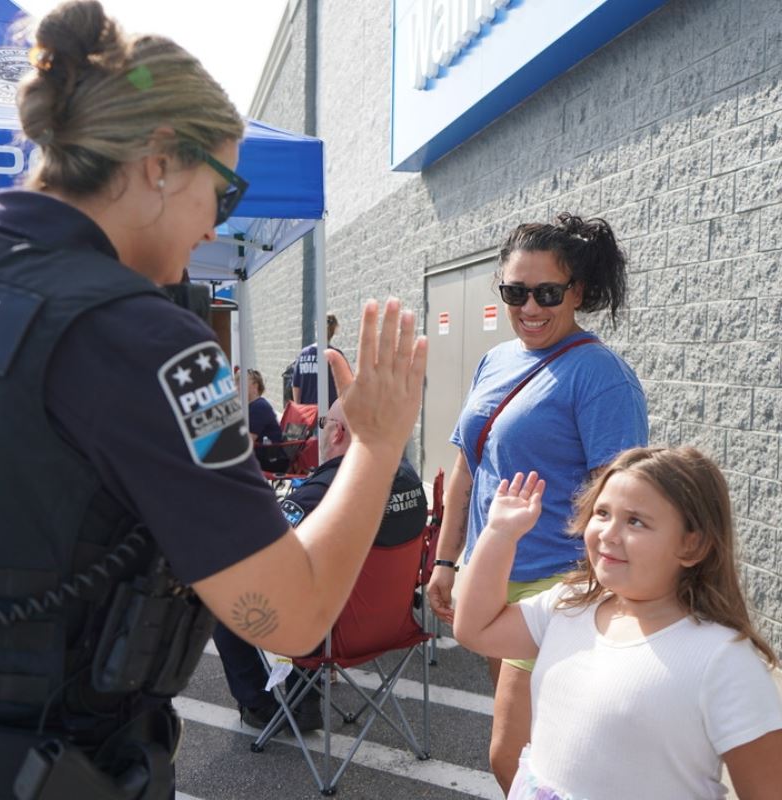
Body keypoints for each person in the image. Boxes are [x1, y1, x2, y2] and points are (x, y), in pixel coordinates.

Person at [0, 3, 426, 798]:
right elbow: (285, 616)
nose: (212, 227)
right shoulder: (147, 341)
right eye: (221, 193)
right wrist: (378, 443)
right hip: (49, 761)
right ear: (160, 162)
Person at [426, 213, 649, 792]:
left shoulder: (599, 374)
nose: (530, 307)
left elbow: (623, 500)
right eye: (515, 292)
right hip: (489, 574)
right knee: (544, 749)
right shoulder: (496, 360)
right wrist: (448, 561)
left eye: (547, 292)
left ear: (577, 291)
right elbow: (467, 468)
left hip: (559, 587)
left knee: (509, 753)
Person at [453, 448, 782, 800]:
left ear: (693, 545)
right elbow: (476, 629)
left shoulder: (722, 658)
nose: (608, 533)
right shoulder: (568, 603)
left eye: (635, 521)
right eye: (602, 513)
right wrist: (500, 533)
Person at [214, 397, 428, 730]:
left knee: (228, 599)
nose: (322, 432)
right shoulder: (411, 481)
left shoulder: (320, 495)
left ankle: (260, 707)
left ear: (338, 432)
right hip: (391, 625)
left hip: (332, 633)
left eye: (324, 424)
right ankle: (305, 702)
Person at [291, 312, 351, 407]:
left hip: (307, 414)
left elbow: (296, 385)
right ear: (334, 330)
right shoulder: (336, 355)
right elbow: (347, 385)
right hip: (330, 413)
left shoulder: (303, 354)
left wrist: (299, 409)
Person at [245, 368, 283, 445]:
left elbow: (246, 442)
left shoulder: (259, 407)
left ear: (255, 386)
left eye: (241, 382)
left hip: (268, 455)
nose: (236, 387)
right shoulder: (250, 405)